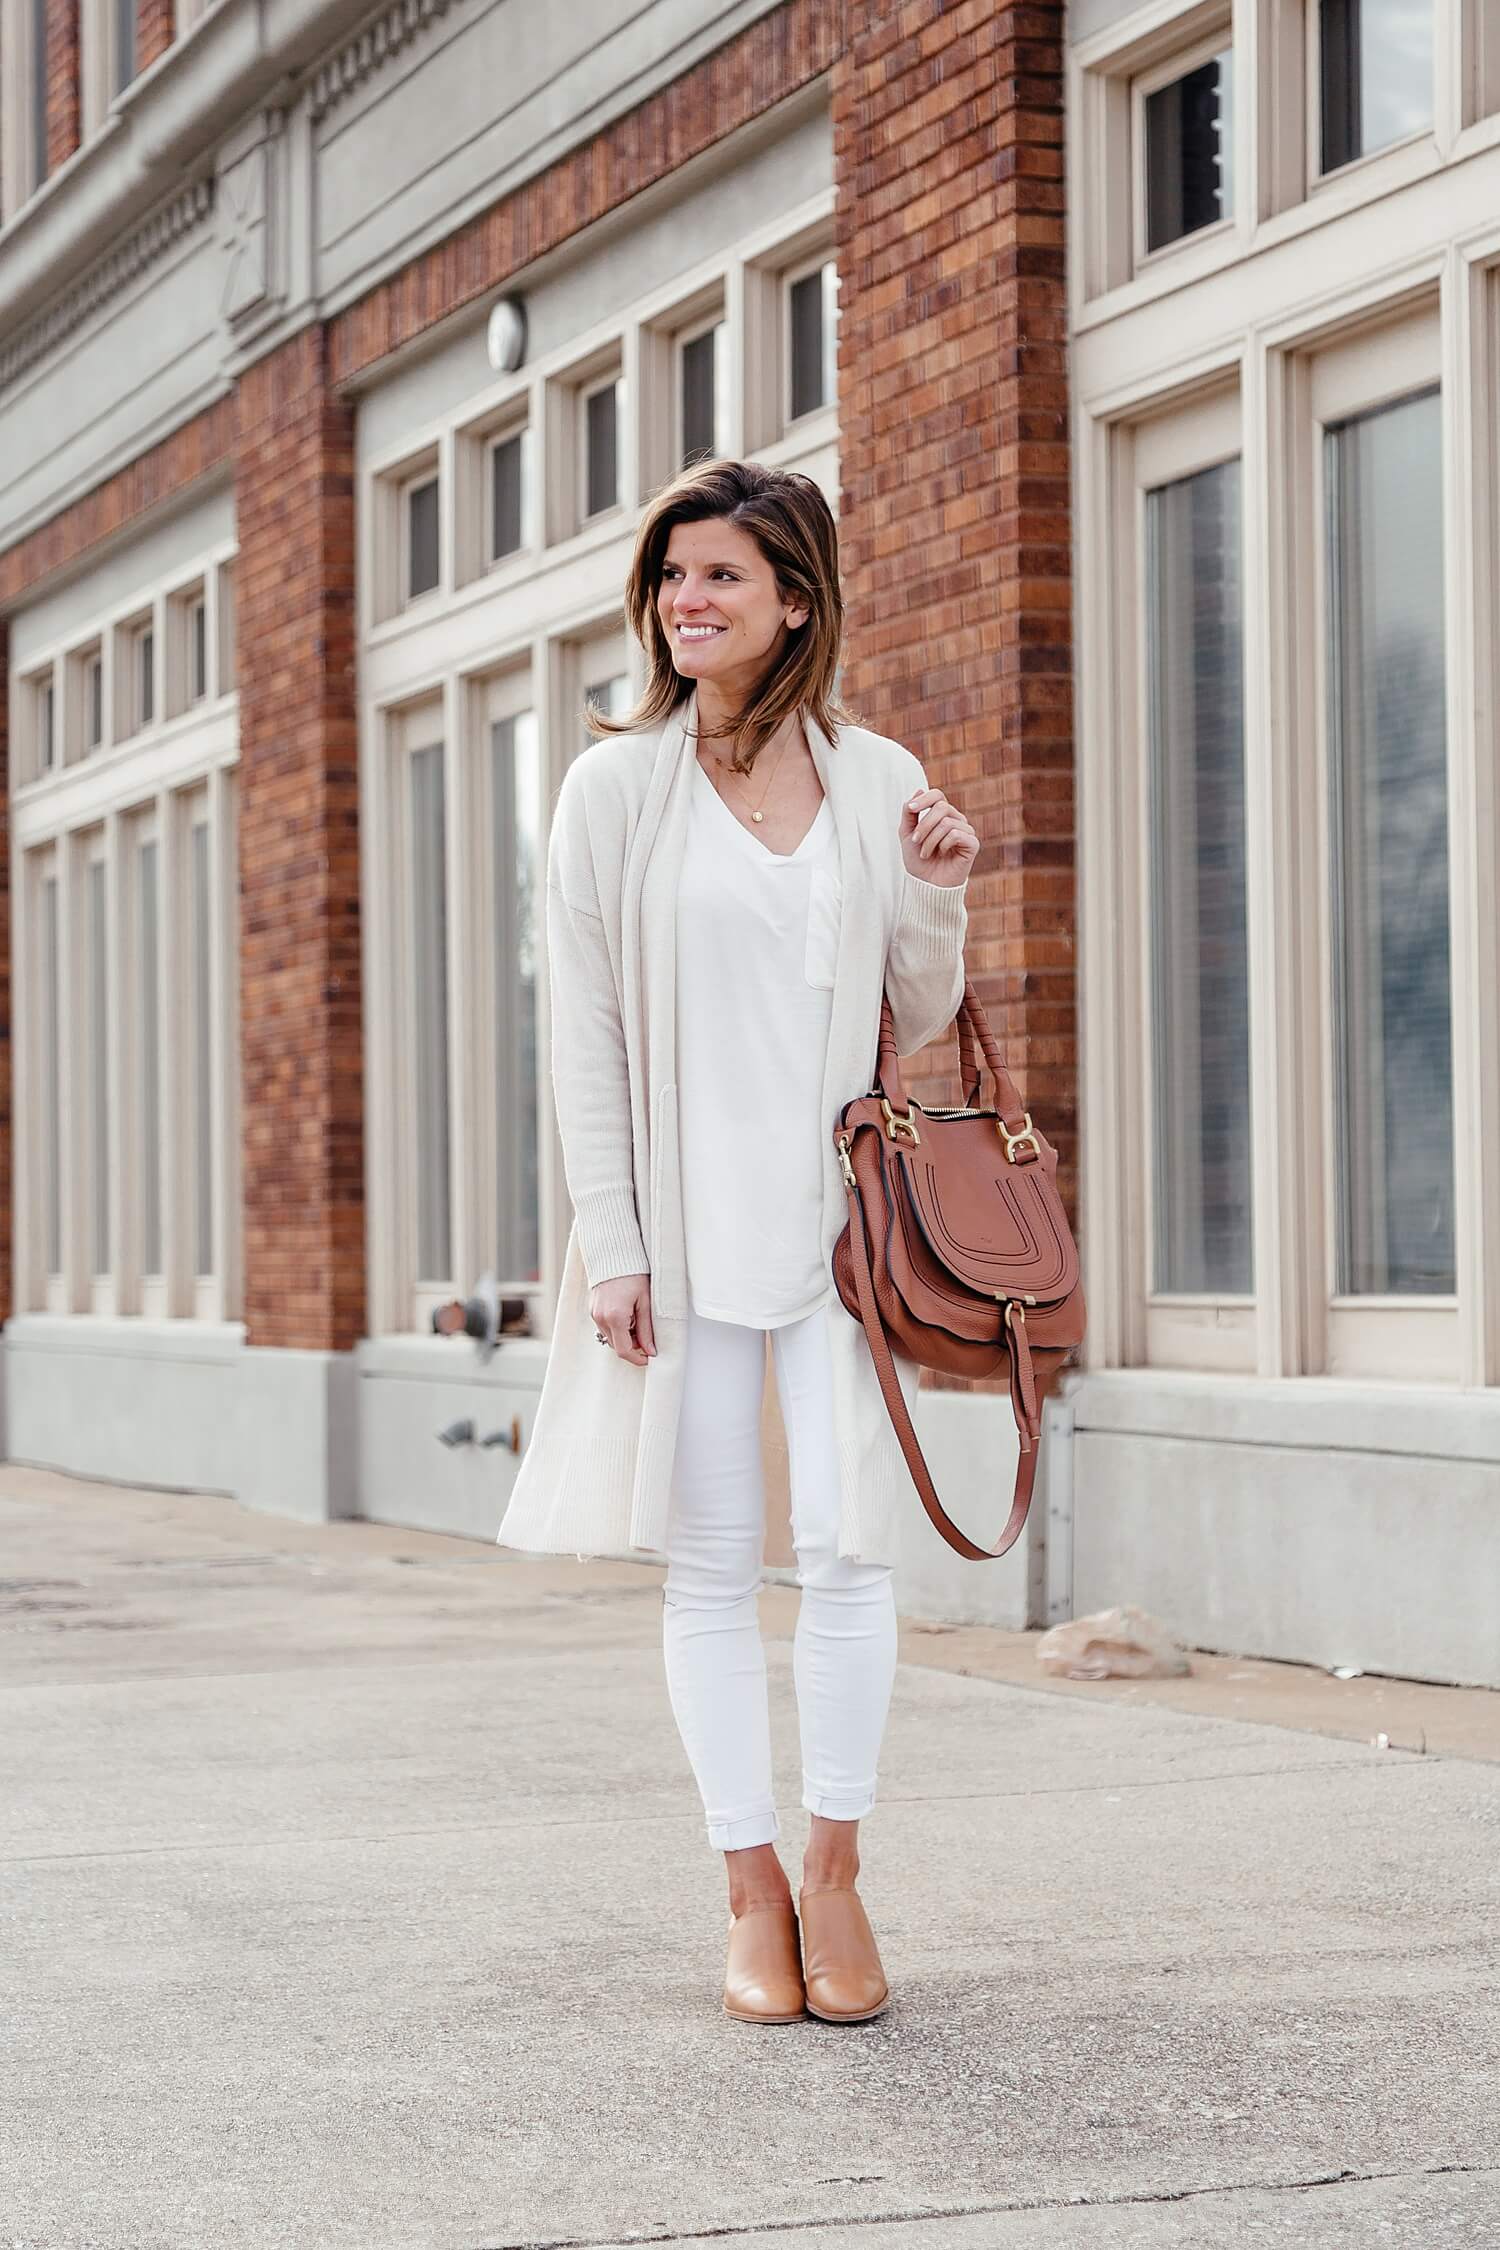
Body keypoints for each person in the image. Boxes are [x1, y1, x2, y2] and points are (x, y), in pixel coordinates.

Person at [495, 458, 978, 2025]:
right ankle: (747, 1884)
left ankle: (837, 1871)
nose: (685, 601)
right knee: (709, 1567)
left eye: (720, 576)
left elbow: (917, 1015)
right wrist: (612, 1239)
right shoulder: (613, 791)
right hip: (683, 1241)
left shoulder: (874, 770)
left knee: (847, 1550)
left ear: (795, 599)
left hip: (840, 1235)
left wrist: (941, 894)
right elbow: (579, 1036)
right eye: (672, 576)